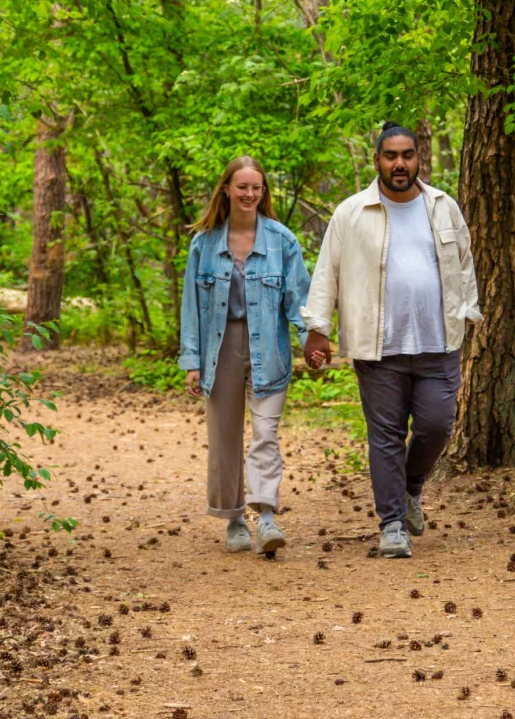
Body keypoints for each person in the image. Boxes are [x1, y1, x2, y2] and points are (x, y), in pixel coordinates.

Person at [303, 122, 480, 559]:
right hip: (377, 347)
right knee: (385, 436)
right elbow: (328, 272)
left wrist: (467, 313)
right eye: (390, 156)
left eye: (407, 155)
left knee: (438, 425)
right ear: (377, 160)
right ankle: (393, 524)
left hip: (439, 344)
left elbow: (464, 262)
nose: (399, 164)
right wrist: (316, 329)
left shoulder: (443, 207)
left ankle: (412, 486)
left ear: (419, 158)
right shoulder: (351, 212)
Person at [179, 156, 312, 556]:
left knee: (265, 434)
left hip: (268, 347)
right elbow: (191, 306)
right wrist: (191, 360)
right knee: (224, 437)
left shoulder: (283, 241)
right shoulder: (203, 244)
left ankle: (267, 517)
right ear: (226, 190)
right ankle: (234, 519)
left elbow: (299, 300)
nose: (250, 194)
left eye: (257, 187)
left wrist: (312, 339)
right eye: (242, 187)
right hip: (219, 349)